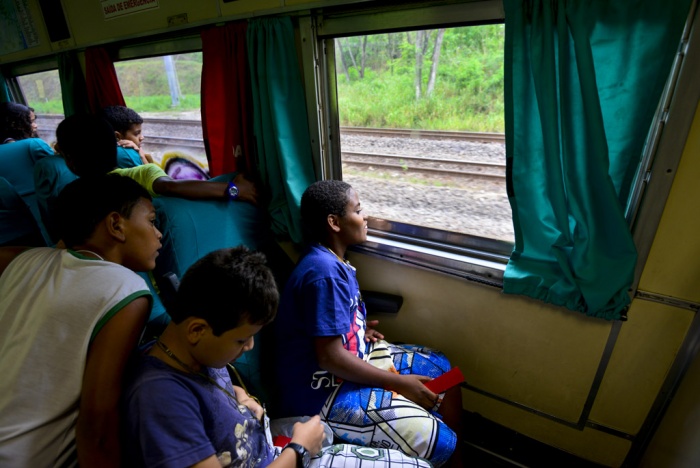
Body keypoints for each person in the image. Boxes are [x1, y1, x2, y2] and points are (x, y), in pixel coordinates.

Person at [123, 246, 432, 468]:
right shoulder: (160, 399)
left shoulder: (197, 353)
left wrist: (242, 397)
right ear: (197, 330)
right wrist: (299, 449)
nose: (249, 347)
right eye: (242, 339)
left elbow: (213, 393)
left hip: (273, 448)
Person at [273, 180, 463, 467]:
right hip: (320, 395)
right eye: (358, 210)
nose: (365, 217)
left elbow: (328, 328)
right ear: (334, 222)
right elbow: (329, 357)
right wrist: (399, 383)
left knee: (443, 369)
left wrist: (358, 329)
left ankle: (448, 456)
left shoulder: (334, 261)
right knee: (441, 440)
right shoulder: (324, 273)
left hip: (349, 361)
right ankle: (439, 447)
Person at [0, 174, 162, 467]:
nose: (158, 234)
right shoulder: (125, 288)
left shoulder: (21, 260)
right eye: (151, 221)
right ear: (116, 225)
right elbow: (97, 425)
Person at [56, 113, 258, 203]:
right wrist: (236, 189)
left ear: (69, 160)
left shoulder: (70, 198)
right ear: (115, 142)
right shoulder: (138, 176)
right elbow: (171, 186)